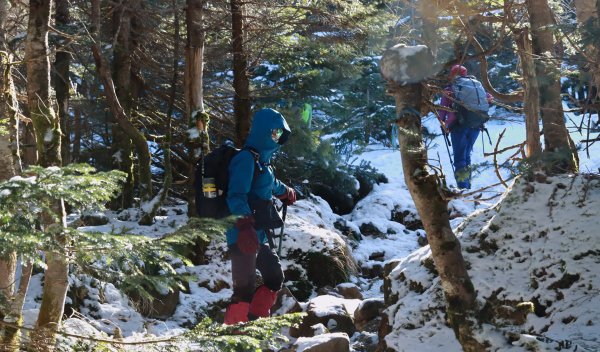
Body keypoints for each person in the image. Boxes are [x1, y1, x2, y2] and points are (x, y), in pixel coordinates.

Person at [224, 108, 297, 325]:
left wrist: (286, 191)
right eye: (274, 133)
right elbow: (235, 195)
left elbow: (270, 184)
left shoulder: (263, 163)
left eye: (279, 135)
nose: (276, 138)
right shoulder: (245, 159)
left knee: (275, 277)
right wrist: (245, 226)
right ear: (263, 131)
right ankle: (233, 339)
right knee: (243, 290)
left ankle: (256, 325)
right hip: (242, 235)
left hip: (259, 236)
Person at [439, 64, 492, 189]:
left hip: (458, 125)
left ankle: (463, 187)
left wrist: (443, 123)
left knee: (459, 158)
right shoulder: (475, 84)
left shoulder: (450, 88)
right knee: (466, 155)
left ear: (452, 75)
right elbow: (489, 97)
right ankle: (466, 185)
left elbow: (442, 110)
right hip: (476, 124)